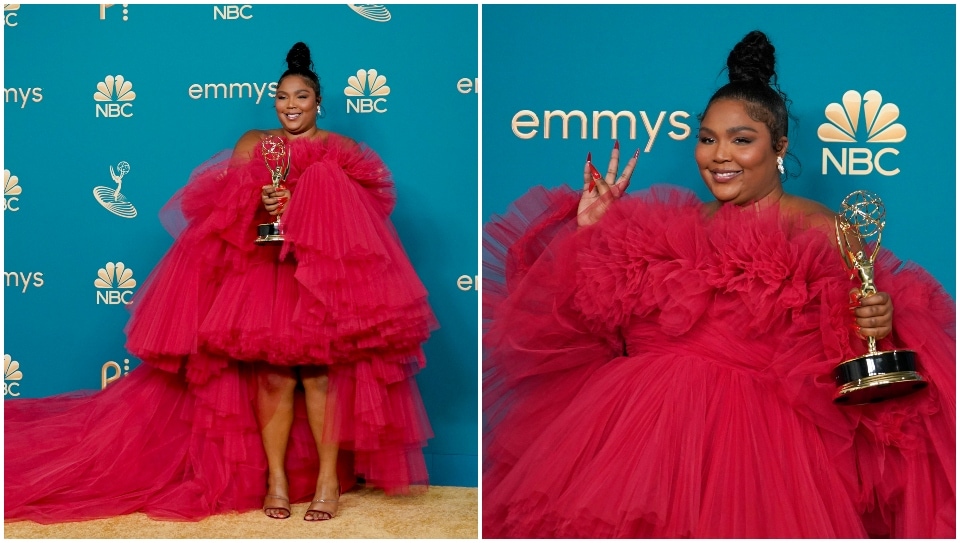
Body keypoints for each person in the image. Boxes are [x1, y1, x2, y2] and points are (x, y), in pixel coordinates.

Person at [482, 30, 955, 538]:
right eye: (707, 139)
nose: (719, 155)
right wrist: (591, 235)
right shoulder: (668, 227)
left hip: (756, 446)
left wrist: (876, 318)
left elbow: (853, 349)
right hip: (637, 433)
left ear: (780, 146)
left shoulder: (819, 227)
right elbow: (594, 333)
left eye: (741, 140)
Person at [5, 42, 436, 523]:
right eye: (282, 97)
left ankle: (328, 481)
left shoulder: (343, 151)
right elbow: (223, 216)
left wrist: (307, 210)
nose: (291, 105)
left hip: (319, 283)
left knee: (320, 378)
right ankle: (275, 480)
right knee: (272, 378)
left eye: (301, 97)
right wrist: (265, 213)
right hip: (265, 273)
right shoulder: (255, 144)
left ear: (319, 103)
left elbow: (366, 222)